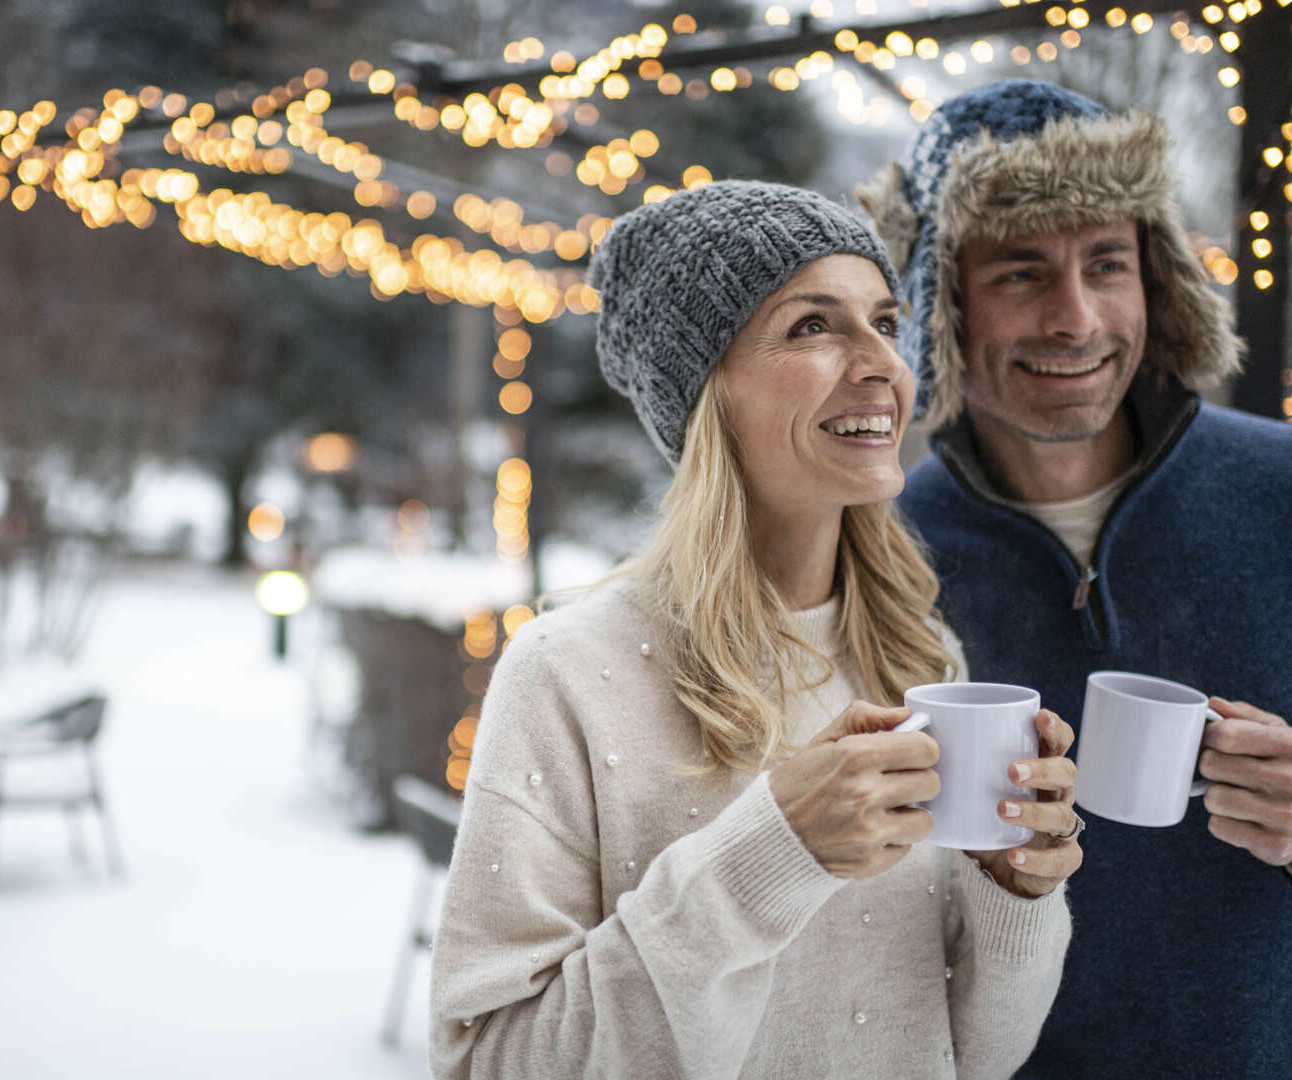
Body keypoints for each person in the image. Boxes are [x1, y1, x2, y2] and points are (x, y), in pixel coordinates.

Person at [430, 180, 1083, 1079]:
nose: (882, 364)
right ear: (709, 394)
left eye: (884, 323)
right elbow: (491, 1060)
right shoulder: (567, 673)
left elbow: (975, 1056)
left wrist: (1014, 894)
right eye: (813, 326)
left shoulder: (920, 657)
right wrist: (771, 856)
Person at [858, 79, 1292, 1078]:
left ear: (1158, 280)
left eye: (1108, 263)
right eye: (1021, 272)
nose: (1077, 318)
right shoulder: (877, 558)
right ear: (940, 303)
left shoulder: (1282, 494)